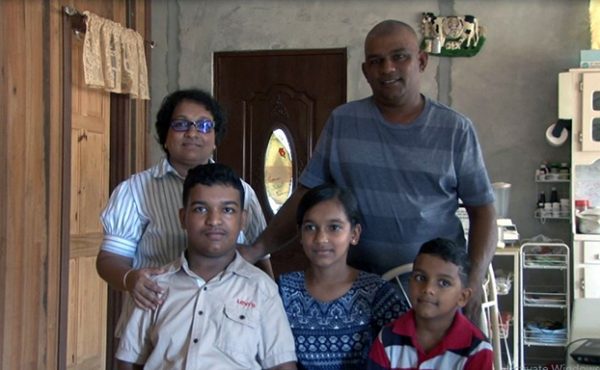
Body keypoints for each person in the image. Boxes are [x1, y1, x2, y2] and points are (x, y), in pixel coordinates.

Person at [242, 19, 497, 321]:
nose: (387, 68)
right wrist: (257, 249)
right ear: (365, 71)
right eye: (376, 61)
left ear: (422, 61)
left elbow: (483, 211)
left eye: (399, 56)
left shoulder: (455, 130)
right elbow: (306, 196)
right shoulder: (343, 122)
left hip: (435, 298)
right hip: (362, 298)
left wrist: (474, 278)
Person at [97, 88, 271, 315]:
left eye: (204, 125)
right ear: (165, 137)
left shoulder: (242, 192)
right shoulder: (134, 190)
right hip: (157, 319)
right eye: (181, 124)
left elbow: (260, 259)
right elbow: (110, 258)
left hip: (227, 322)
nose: (192, 132)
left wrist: (269, 310)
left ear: (215, 139)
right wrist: (131, 279)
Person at [115, 163, 297, 370]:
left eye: (227, 210)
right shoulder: (153, 286)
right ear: (183, 218)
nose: (214, 220)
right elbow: (129, 362)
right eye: (201, 209)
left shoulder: (262, 289)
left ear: (242, 220)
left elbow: (282, 365)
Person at [278, 183, 410, 369]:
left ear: (354, 234)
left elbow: (405, 352)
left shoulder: (376, 293)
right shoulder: (283, 291)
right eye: (310, 227)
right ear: (299, 234)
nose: (321, 239)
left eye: (334, 227)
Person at [366, 238, 493, 370]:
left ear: (462, 297)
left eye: (444, 283)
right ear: (409, 282)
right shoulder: (388, 339)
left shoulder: (477, 349)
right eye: (420, 278)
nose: (428, 289)